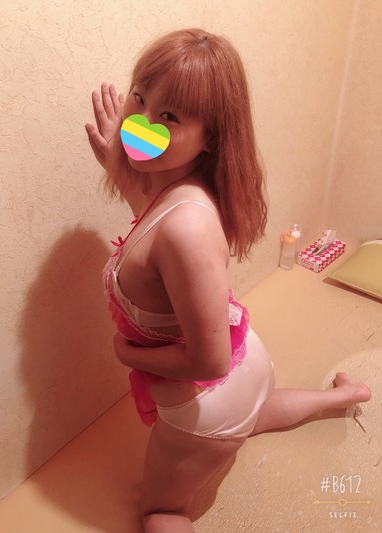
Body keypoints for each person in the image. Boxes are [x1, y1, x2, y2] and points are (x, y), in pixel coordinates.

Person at [85, 28, 371, 533]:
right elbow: (148, 220)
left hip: (208, 400)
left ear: (210, 138)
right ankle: (345, 396)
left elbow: (209, 361)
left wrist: (128, 355)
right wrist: (119, 152)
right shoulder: (181, 191)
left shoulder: (188, 228)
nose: (140, 125)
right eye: (140, 98)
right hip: (248, 367)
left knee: (161, 511)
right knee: (253, 413)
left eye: (169, 117)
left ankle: (203, 469)